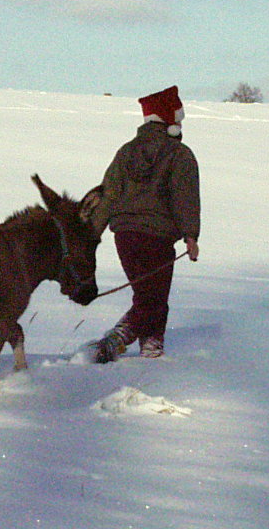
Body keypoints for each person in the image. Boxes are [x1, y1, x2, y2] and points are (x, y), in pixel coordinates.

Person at [89, 85, 200, 362]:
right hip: (158, 238)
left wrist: (93, 233)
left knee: (149, 295)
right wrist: (191, 235)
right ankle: (117, 339)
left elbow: (109, 193)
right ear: (170, 121)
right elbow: (185, 196)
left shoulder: (125, 152)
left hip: (124, 238)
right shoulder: (179, 154)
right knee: (153, 299)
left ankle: (152, 347)